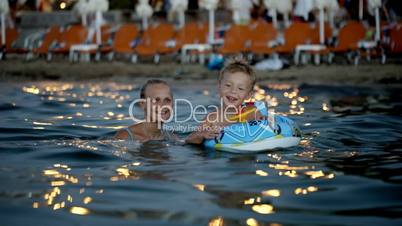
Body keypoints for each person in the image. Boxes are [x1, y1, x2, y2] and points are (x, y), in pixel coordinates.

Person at [185, 59, 266, 145]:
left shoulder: (252, 111)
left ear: (248, 95)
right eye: (228, 85)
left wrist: (263, 120)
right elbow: (190, 138)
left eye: (240, 88)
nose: (233, 91)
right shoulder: (212, 118)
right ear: (219, 86)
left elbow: (266, 125)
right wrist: (202, 135)